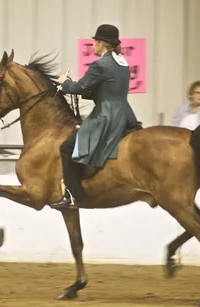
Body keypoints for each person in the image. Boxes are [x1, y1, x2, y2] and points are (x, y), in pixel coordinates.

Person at [50, 24, 139, 209]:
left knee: (66, 147)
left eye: (95, 42)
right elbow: (106, 89)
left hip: (106, 115)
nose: (93, 46)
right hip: (125, 112)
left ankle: (73, 196)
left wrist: (64, 83)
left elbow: (79, 88)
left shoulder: (100, 64)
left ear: (102, 44)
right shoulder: (122, 63)